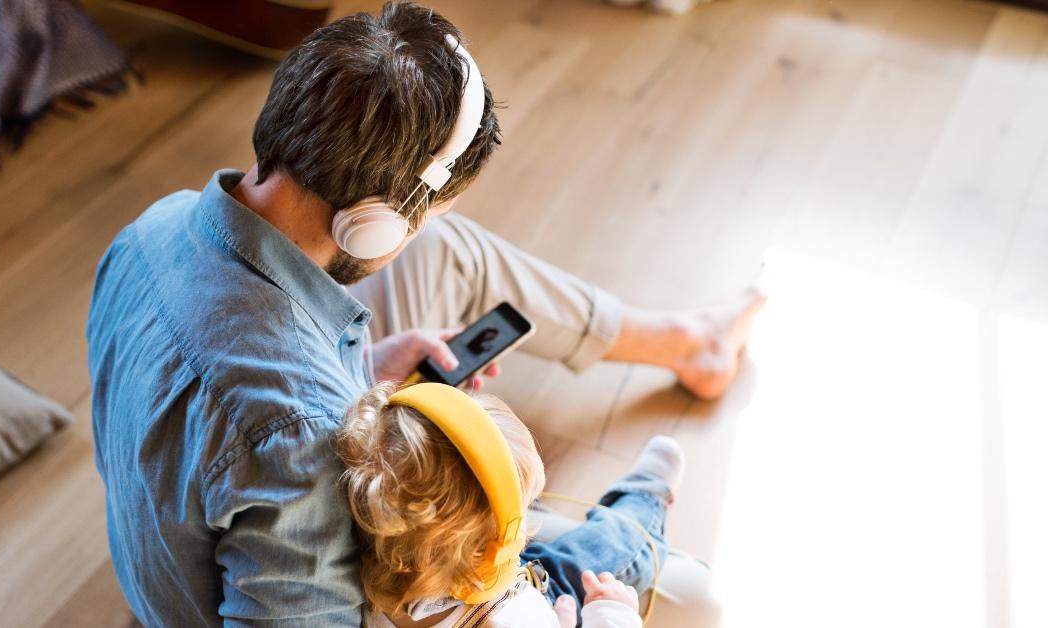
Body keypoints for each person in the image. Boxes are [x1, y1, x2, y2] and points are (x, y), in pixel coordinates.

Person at [86, 2, 761, 625]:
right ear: (369, 228)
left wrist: (367, 372)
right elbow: (277, 432)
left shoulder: (150, 229)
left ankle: (686, 341)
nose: (411, 236)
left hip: (180, 548)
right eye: (412, 221)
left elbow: (220, 409)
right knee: (697, 597)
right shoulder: (302, 444)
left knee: (445, 250)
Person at [337, 381, 685, 628]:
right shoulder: (514, 620)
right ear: (486, 557)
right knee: (607, 549)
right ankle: (645, 496)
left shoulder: (362, 574)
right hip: (535, 601)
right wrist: (613, 614)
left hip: (471, 588)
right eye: (522, 507)